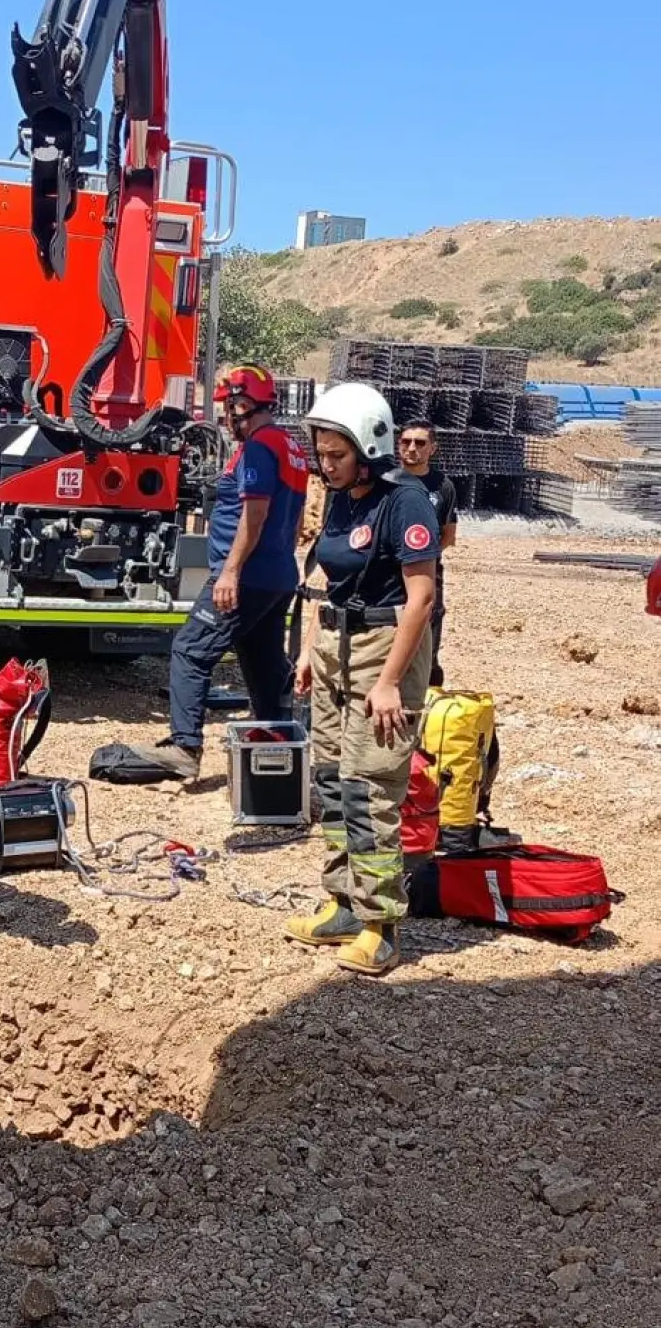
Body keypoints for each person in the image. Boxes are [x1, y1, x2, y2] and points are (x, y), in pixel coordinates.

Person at [286, 382, 439, 978]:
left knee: (369, 788)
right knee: (328, 781)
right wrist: (309, 650)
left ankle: (381, 926)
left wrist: (388, 684)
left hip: (385, 650)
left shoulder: (406, 502)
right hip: (334, 644)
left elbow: (421, 599)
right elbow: (333, 583)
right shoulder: (341, 497)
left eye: (336, 455)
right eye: (320, 454)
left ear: (369, 447)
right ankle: (342, 905)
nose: (326, 465)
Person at [153, 365, 310, 782]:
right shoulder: (290, 447)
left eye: (229, 408)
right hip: (277, 575)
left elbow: (254, 515)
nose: (225, 418)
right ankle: (278, 756)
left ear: (244, 405)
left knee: (190, 650)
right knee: (262, 664)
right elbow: (294, 521)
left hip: (244, 576)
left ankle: (185, 745)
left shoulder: (259, 446)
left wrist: (230, 573)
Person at [396, 419, 457, 685]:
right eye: (406, 442)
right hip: (388, 574)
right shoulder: (386, 481)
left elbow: (448, 534)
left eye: (420, 443)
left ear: (433, 448)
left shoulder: (443, 486)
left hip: (428, 571)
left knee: (428, 634)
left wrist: (421, 558)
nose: (412, 448)